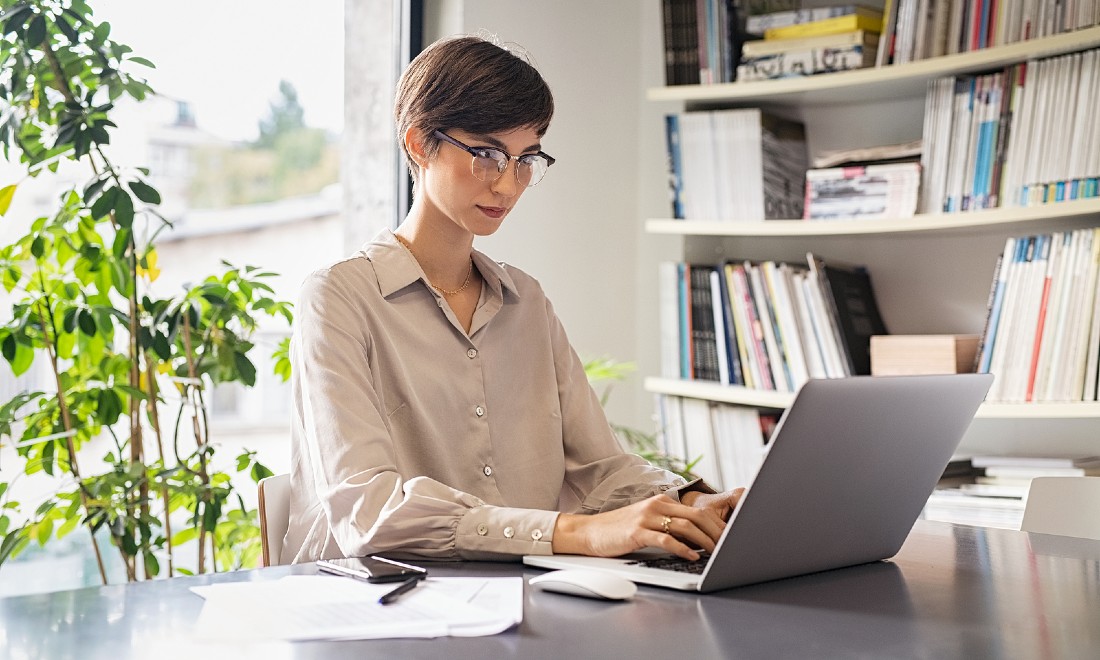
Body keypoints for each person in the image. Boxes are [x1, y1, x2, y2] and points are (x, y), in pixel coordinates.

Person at [282, 34, 743, 565]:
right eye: (487, 154)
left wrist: (695, 503)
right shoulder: (337, 298)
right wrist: (582, 533)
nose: (508, 184)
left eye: (526, 159)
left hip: (521, 601)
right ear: (417, 144)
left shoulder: (526, 302)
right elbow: (371, 513)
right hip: (379, 612)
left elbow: (601, 469)